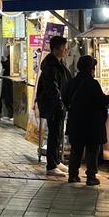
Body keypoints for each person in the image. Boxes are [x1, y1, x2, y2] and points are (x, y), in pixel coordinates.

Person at [63, 56, 109, 186]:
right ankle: (91, 176)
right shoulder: (92, 83)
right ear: (90, 68)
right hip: (92, 122)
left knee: (76, 149)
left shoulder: (71, 82)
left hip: (76, 121)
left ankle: (73, 175)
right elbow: (100, 99)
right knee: (92, 150)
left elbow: (65, 98)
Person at [35, 36, 72, 177]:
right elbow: (52, 87)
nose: (66, 50)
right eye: (64, 47)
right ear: (57, 49)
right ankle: (51, 165)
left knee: (58, 133)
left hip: (58, 104)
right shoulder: (51, 65)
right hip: (53, 104)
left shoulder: (57, 62)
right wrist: (60, 102)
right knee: (54, 134)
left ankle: (56, 161)